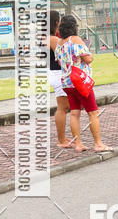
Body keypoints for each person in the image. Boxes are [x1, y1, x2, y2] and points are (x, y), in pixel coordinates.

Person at [55, 15, 113, 153]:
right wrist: (89, 54)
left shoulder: (59, 44)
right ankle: (98, 144)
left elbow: (59, 62)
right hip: (80, 82)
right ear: (74, 27)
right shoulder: (76, 40)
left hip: (67, 83)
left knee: (74, 113)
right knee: (93, 113)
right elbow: (88, 59)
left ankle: (78, 144)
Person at [48, 10, 71, 148]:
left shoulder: (48, 37)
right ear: (56, 22)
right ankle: (61, 140)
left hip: (54, 73)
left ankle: (63, 137)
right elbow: (63, 55)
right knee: (62, 107)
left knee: (64, 106)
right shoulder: (53, 39)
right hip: (58, 74)